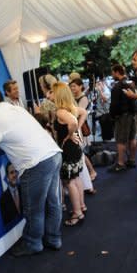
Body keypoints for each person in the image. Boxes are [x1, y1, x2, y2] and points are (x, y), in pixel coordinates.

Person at [0, 88, 63, 256]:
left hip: (36, 163)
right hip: (53, 154)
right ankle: (54, 239)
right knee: (53, 202)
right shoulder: (16, 108)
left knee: (34, 208)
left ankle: (33, 243)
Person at [52, 82, 87, 226]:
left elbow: (72, 122)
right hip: (75, 147)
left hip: (68, 148)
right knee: (76, 178)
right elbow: (83, 113)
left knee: (70, 181)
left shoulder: (60, 111)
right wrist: (76, 130)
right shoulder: (72, 107)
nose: (50, 95)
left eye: (52, 93)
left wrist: (70, 133)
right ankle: (82, 206)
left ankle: (77, 213)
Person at [108, 64, 136, 172]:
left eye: (112, 72)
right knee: (132, 138)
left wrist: (112, 115)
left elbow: (114, 104)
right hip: (132, 114)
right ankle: (132, 160)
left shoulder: (118, 86)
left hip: (122, 116)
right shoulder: (130, 83)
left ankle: (120, 163)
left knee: (121, 140)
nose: (112, 74)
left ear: (116, 72)